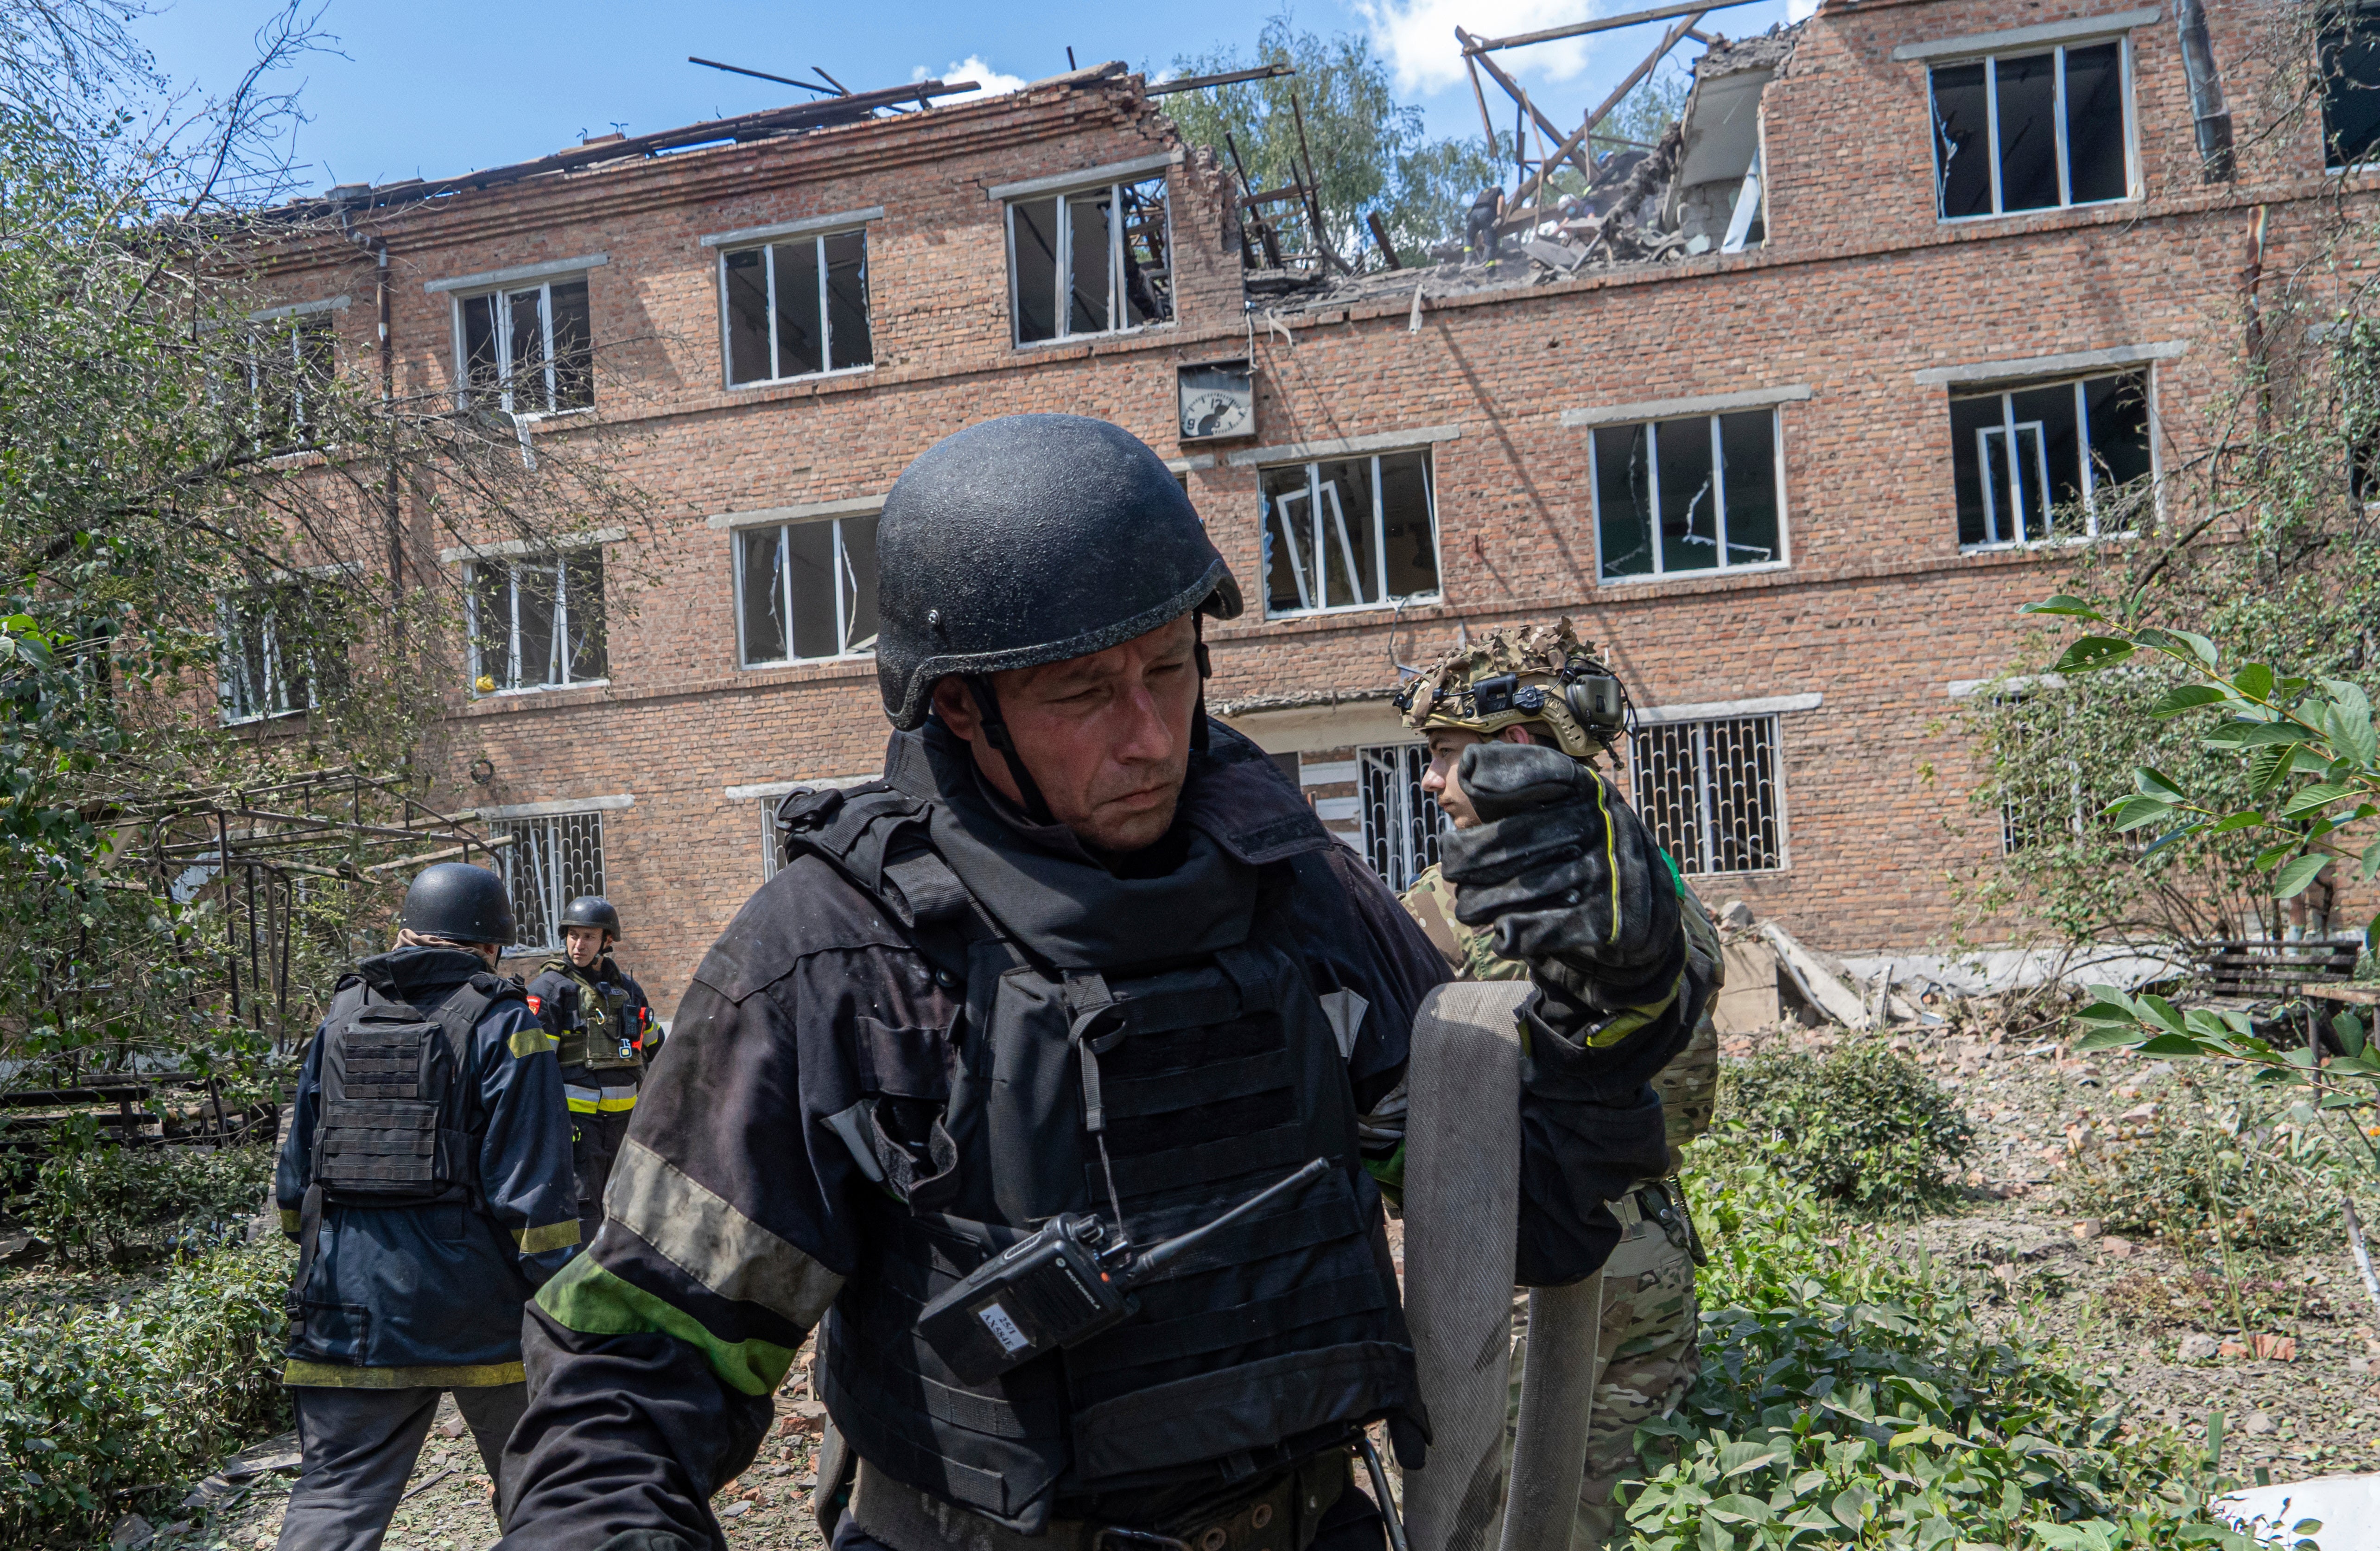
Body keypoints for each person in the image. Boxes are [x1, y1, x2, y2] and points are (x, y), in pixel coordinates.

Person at [496, 415, 1710, 1551]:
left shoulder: (1294, 896)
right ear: (959, 707)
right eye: (1082, 692)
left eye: (1170, 670)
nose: (1149, 736)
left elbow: (1533, 1218)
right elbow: (622, 1389)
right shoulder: (836, 961)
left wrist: (1617, 989)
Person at [1392, 620, 1721, 1550]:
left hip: (1522, 1270)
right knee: (1622, 1510)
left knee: (1493, 1519)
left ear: (1514, 754)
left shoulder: (1456, 899)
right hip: (1649, 1247)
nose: (1428, 779)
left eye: (1448, 755)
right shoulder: (1643, 877)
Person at [273, 861, 580, 1551]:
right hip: (483, 1318)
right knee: (547, 1491)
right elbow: (534, 1197)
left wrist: (324, 1268)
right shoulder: (507, 1024)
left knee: (335, 1498)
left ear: (405, 932)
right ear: (492, 945)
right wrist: (571, 1313)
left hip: (346, 1311)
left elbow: (295, 1184)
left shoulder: (339, 1020)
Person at [524, 896, 658, 1247]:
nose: (578, 945)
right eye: (572, 936)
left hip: (625, 1128)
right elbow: (535, 1069)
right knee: (583, 1214)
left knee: (627, 1209)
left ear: (607, 941)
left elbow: (656, 1047)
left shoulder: (628, 990)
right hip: (576, 1128)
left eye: (588, 937)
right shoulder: (550, 990)